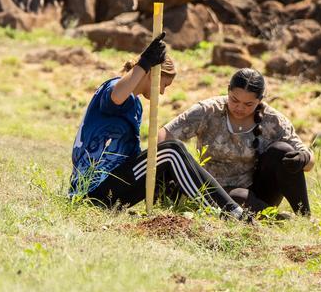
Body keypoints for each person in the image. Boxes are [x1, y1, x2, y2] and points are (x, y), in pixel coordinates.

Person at [70, 33, 244, 218]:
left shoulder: (135, 105)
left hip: (114, 187)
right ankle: (227, 213)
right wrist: (144, 63)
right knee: (172, 150)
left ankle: (202, 209)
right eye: (164, 85)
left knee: (164, 158)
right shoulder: (113, 87)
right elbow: (116, 97)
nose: (161, 92)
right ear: (152, 74)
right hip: (93, 191)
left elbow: (131, 159)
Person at [158, 69, 314, 216]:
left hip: (258, 192)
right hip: (209, 190)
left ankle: (304, 217)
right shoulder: (208, 110)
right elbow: (164, 135)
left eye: (248, 104)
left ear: (259, 100)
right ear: (228, 90)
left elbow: (309, 162)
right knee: (238, 197)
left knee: (282, 150)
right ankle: (275, 218)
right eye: (235, 100)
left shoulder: (273, 120)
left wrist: (302, 159)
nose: (239, 108)